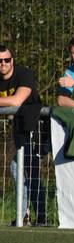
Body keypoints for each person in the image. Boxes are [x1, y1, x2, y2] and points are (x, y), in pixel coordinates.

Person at [0, 44, 47, 225]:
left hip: (36, 127)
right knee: (25, 170)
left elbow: (17, 100)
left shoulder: (24, 74)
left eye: (7, 60)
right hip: (19, 128)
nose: (3, 64)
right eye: (0, 61)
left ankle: (32, 215)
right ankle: (30, 215)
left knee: (26, 170)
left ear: (12, 61)